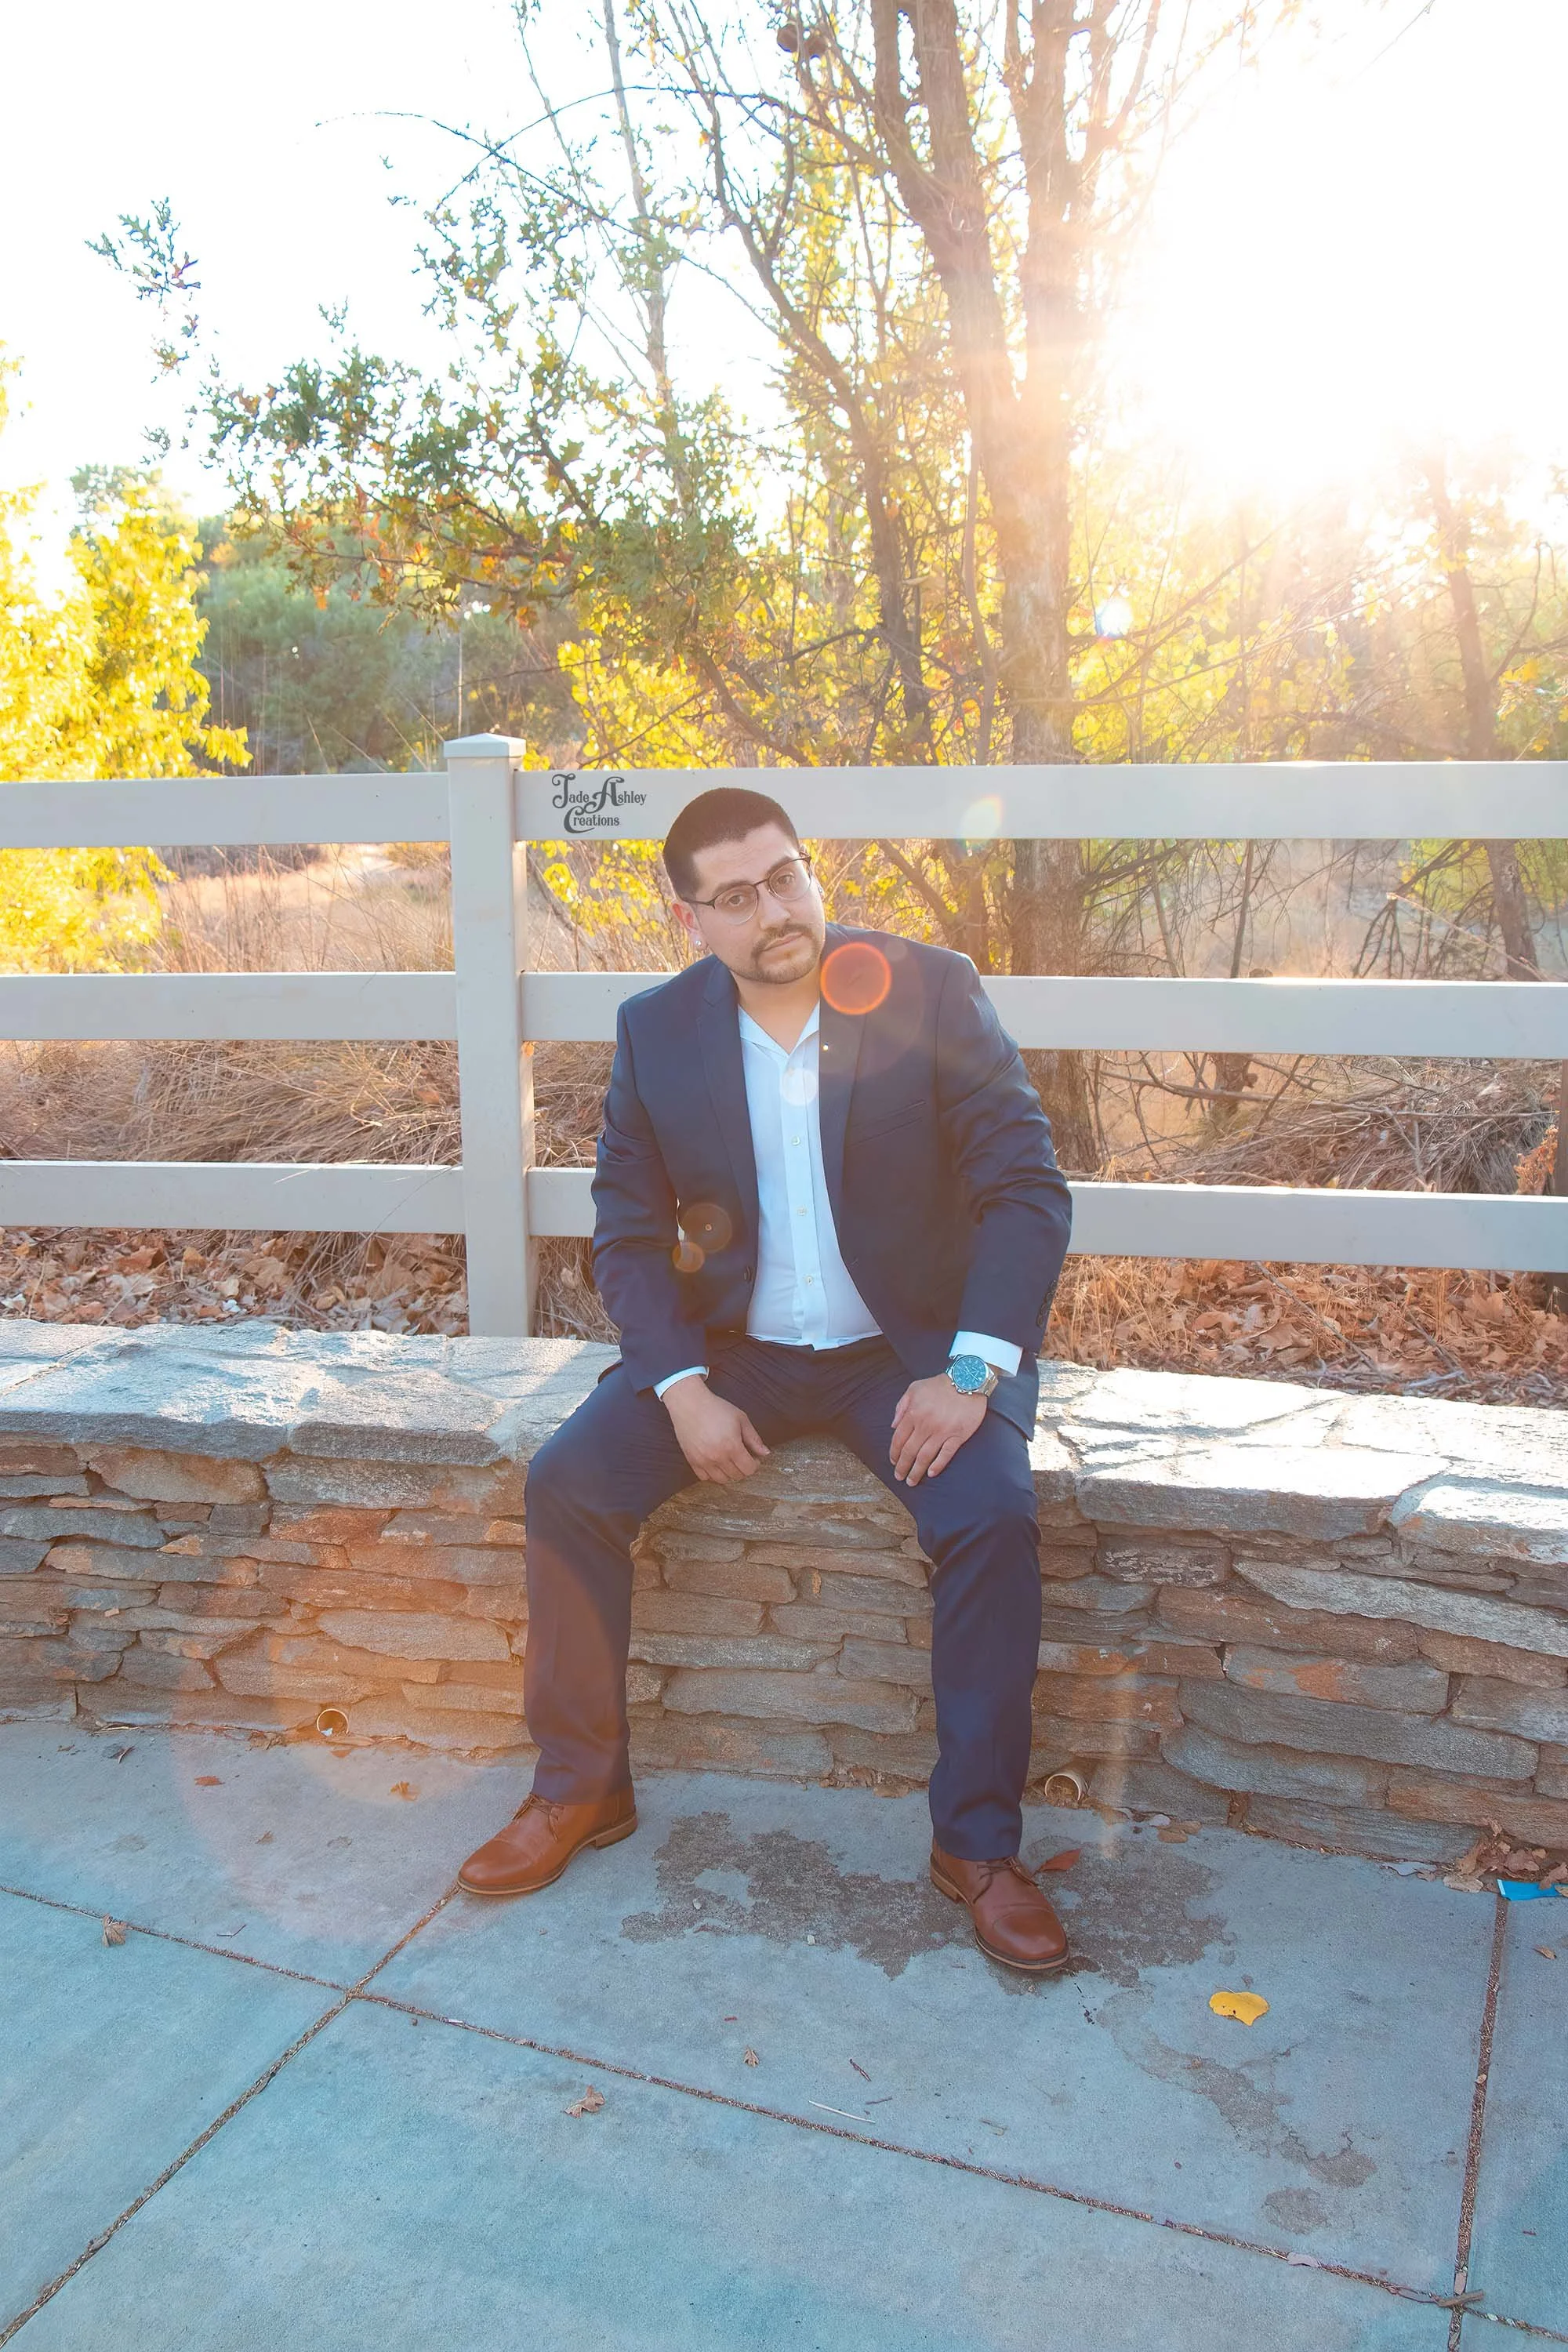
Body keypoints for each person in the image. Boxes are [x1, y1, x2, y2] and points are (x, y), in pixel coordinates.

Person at [458, 789, 1075, 1971]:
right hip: (735, 1352)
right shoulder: (658, 1032)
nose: (773, 911)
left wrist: (971, 1370)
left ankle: (978, 1848)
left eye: (786, 877)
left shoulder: (929, 989)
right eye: (735, 897)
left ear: (811, 871)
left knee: (992, 1516)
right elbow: (628, 1240)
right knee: (568, 1483)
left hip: (907, 1355)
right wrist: (682, 1387)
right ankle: (582, 1789)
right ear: (690, 919)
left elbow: (1025, 1191)